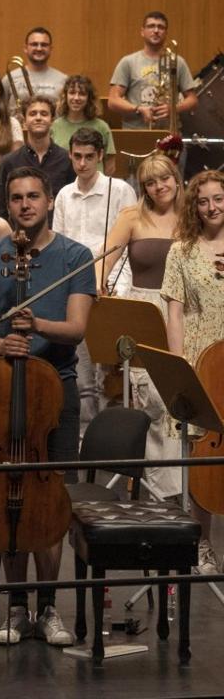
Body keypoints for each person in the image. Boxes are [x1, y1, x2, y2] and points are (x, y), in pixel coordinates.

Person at [0, 166, 95, 646]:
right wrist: (2, 346)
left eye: (34, 196)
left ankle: (47, 607)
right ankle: (16, 606)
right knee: (5, 496)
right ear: (8, 204)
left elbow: (77, 328)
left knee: (48, 499)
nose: (25, 205)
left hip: (54, 391)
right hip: (0, 392)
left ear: (49, 201)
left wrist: (36, 323)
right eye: (17, 197)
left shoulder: (75, 255)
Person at [99, 153, 184, 500]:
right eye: (150, 182)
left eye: (164, 178)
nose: (158, 187)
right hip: (145, 309)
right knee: (152, 404)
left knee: (180, 404)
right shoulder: (132, 216)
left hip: (185, 312)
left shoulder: (191, 216)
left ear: (176, 178)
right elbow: (103, 258)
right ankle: (162, 493)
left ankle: (178, 490)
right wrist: (98, 291)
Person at [52, 129, 136, 432]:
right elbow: (58, 245)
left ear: (100, 156)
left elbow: (127, 245)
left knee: (110, 373)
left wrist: (117, 286)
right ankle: (85, 442)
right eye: (77, 156)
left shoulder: (121, 188)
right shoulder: (64, 194)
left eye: (89, 157)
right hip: (75, 289)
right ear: (71, 155)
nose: (83, 163)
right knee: (82, 375)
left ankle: (112, 442)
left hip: (112, 284)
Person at [163, 170, 224, 574]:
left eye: (218, 198)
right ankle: (202, 545)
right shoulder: (181, 250)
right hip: (204, 359)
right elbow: (175, 313)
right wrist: (179, 366)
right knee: (204, 458)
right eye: (202, 201)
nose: (212, 207)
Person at [108, 11, 199, 130]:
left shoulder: (177, 62)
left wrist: (173, 109)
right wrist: (138, 109)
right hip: (136, 133)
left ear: (166, 33)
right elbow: (113, 101)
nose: (156, 30)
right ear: (142, 31)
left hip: (169, 134)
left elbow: (193, 100)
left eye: (161, 27)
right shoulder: (128, 62)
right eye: (151, 26)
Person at [0, 96, 74, 218]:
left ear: (52, 120)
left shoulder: (67, 159)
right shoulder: (9, 162)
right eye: (32, 114)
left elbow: (72, 203)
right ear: (24, 121)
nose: (38, 118)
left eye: (44, 114)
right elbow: (0, 208)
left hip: (57, 232)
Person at [52, 75, 116, 175]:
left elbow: (110, 166)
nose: (76, 98)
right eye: (72, 93)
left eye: (82, 94)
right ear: (65, 96)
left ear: (89, 98)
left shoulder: (102, 127)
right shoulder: (54, 126)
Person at [1, 27, 68, 114]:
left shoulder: (63, 80)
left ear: (51, 49)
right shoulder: (9, 78)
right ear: (25, 48)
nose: (39, 48)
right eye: (34, 44)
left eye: (44, 45)